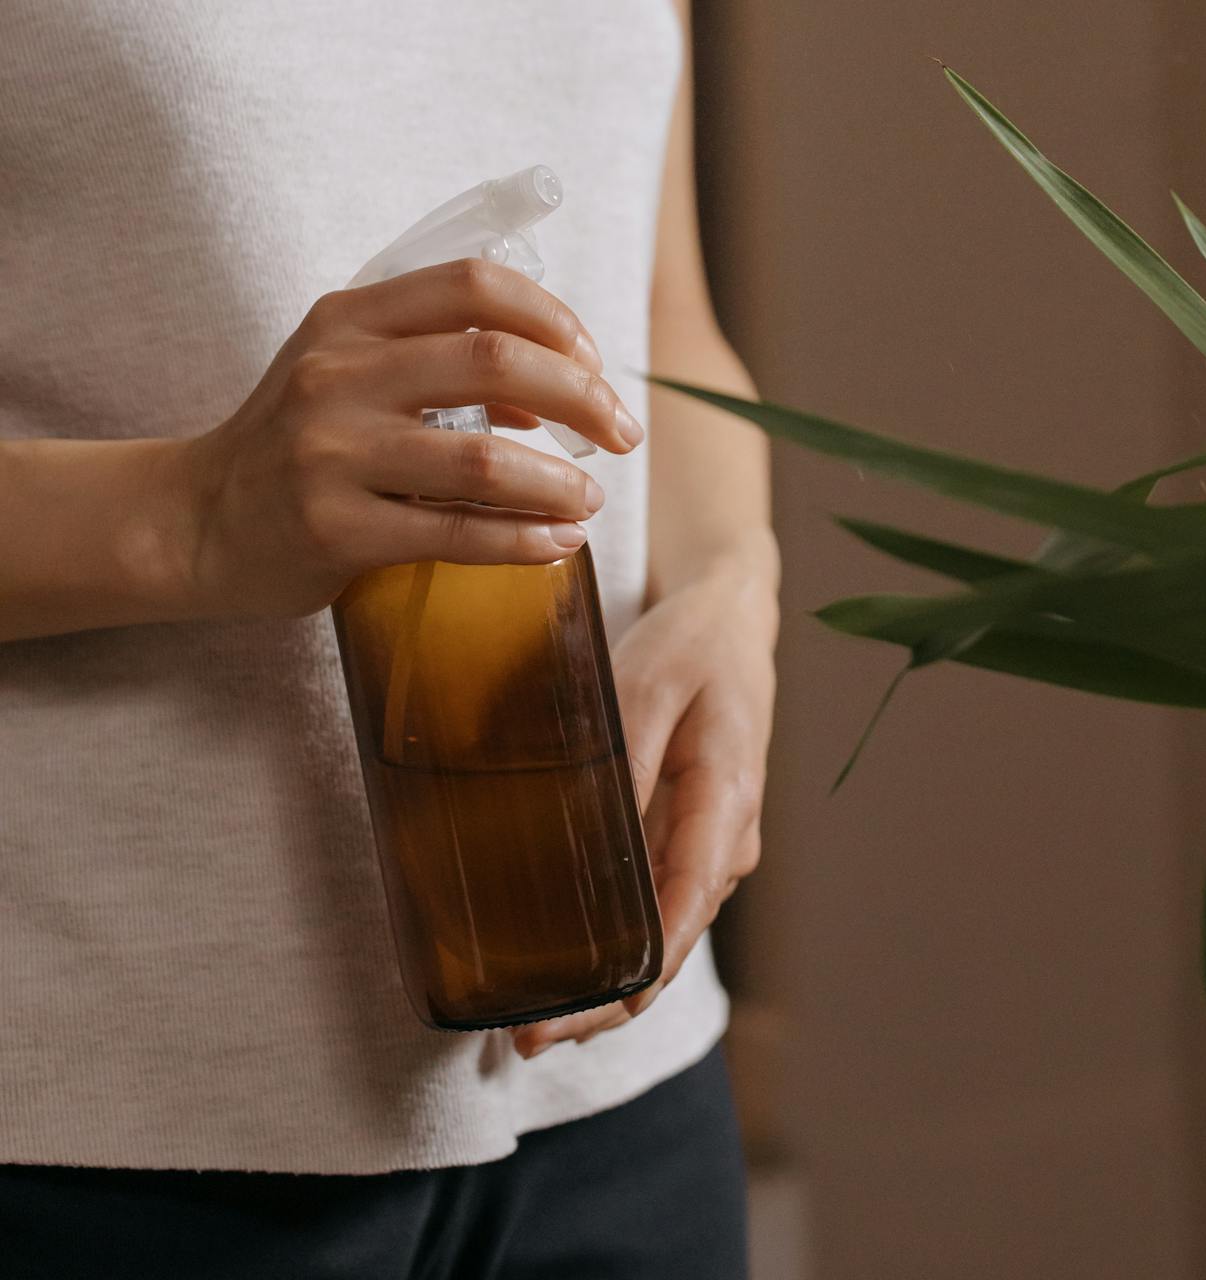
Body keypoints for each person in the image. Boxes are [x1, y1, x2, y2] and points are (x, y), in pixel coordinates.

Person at [0, 1, 777, 1276]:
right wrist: (189, 517)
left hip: (626, 1109)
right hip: (101, 1135)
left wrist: (733, 590)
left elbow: (665, 316)